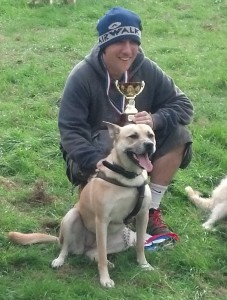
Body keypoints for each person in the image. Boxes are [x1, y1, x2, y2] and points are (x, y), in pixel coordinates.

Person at [58, 7, 193, 239]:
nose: (128, 50)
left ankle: (150, 209)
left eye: (133, 41)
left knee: (179, 135)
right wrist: (94, 161)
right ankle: (97, 212)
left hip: (135, 144)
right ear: (104, 44)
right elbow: (70, 129)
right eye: (120, 42)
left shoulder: (147, 69)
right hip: (92, 153)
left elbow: (184, 105)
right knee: (107, 144)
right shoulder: (82, 76)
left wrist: (155, 119)